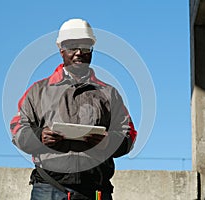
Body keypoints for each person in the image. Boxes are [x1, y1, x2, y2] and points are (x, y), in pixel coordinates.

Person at [10, 18, 137, 200]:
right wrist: (39, 136)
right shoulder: (38, 91)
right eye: (72, 47)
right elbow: (17, 130)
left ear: (92, 52)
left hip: (95, 191)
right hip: (48, 189)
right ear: (61, 50)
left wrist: (108, 142)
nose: (79, 53)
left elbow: (129, 135)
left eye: (85, 48)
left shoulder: (109, 94)